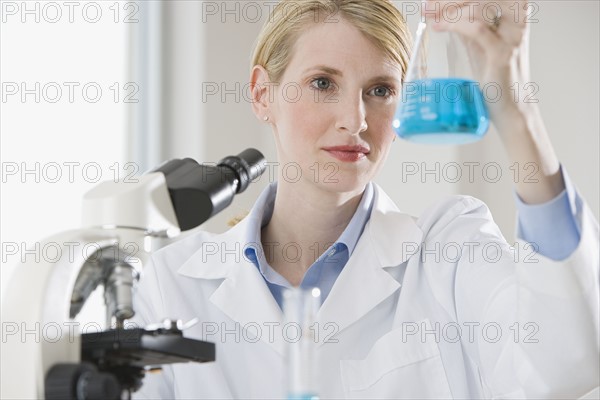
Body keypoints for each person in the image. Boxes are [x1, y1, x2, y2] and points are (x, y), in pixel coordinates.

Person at [132, 0, 599, 398]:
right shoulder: (171, 285)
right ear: (262, 93)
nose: (355, 119)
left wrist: (515, 110)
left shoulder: (448, 252)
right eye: (322, 83)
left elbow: (562, 360)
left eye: (380, 90)